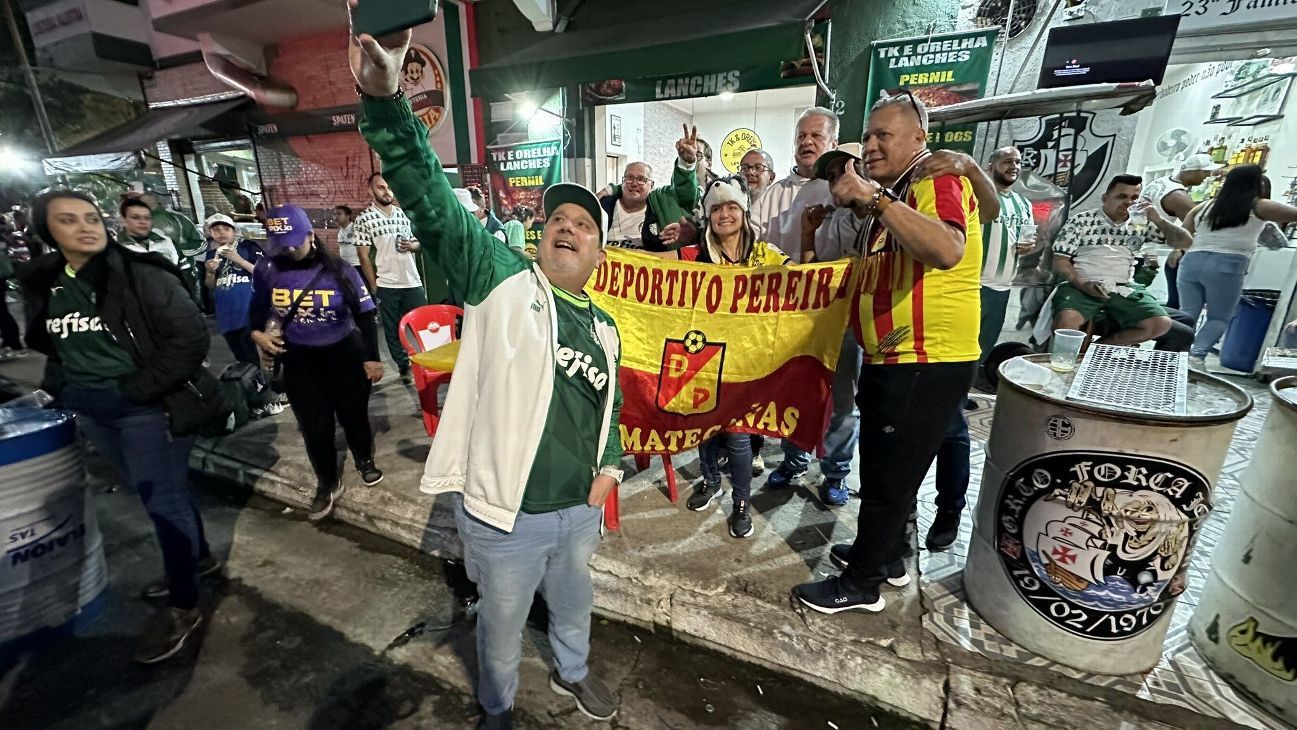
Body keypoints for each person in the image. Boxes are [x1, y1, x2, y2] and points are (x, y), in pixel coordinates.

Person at [350, 16, 625, 726]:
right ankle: (496, 708)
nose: (567, 227)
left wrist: (609, 471)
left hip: (575, 513)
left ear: (599, 255)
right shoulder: (499, 277)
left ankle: (573, 673)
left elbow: (610, 409)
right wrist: (386, 107)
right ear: (540, 234)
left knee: (574, 604)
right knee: (500, 629)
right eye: (557, 219)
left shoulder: (603, 326)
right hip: (505, 516)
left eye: (584, 226)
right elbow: (431, 203)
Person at [792, 93, 983, 615]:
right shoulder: (900, 195)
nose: (871, 145)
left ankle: (861, 584)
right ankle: (889, 555)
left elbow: (947, 249)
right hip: (896, 357)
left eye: (884, 135)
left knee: (885, 478)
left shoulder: (931, 181)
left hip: (924, 357)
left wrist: (874, 200)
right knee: (888, 471)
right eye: (868, 135)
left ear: (919, 139)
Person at [21, 188, 219, 663]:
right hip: (92, 409)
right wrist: (67, 388)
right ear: (47, 231)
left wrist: (137, 389)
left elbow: (189, 336)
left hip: (146, 409)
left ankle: (184, 605)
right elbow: (50, 342)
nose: (86, 226)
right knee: (161, 491)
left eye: (91, 217)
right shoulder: (45, 281)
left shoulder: (140, 275)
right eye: (68, 220)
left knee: (161, 501)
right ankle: (199, 558)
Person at [656, 175, 789, 537]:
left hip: (746, 364)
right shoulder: (694, 255)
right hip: (703, 358)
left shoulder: (765, 255)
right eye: (717, 208)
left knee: (739, 437)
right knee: (703, 428)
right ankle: (711, 480)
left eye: (732, 207)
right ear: (708, 215)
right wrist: (607, 257)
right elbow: (651, 265)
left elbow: (802, 282)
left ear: (744, 213)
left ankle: (741, 502)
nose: (724, 214)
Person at [249, 205, 385, 521]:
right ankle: (327, 480)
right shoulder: (268, 270)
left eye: (295, 241)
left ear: (310, 235)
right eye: (281, 243)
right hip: (299, 361)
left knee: (353, 415)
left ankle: (364, 458)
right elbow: (255, 313)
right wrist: (258, 335)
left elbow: (365, 316)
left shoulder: (340, 270)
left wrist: (372, 358)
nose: (289, 248)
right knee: (315, 426)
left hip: (343, 355)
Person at [1180, 164, 1297, 369]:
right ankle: (1195, 357)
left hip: (1192, 261)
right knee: (1220, 316)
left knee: (1187, 314)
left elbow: (1183, 234)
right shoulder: (1258, 206)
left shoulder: (1204, 206)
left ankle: (1176, 354)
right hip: (1227, 264)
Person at [1051, 175, 1191, 345]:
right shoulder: (1082, 221)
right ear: (1105, 198)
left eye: (1134, 198)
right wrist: (1081, 284)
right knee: (1067, 321)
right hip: (1083, 283)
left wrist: (1157, 219)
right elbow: (1060, 260)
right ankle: (1064, 363)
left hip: (1123, 286)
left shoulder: (1140, 224)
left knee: (1160, 324)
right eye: (1122, 196)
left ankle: (1099, 352)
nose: (1129, 202)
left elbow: (1186, 242)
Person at [353, 172, 427, 384]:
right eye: (381, 187)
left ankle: (429, 362)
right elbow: (363, 256)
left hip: (412, 281)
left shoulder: (404, 214)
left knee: (424, 324)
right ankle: (404, 366)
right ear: (371, 190)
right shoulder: (364, 219)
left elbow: (418, 243)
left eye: (389, 187)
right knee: (393, 330)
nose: (387, 192)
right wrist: (374, 285)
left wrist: (414, 246)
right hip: (387, 284)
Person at [749, 107, 838, 252]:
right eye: (801, 136)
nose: (806, 142)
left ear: (834, 144)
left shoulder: (841, 191)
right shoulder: (772, 195)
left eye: (816, 135)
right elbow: (747, 243)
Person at [975, 147, 1035, 363]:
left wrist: (1029, 245)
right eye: (1007, 161)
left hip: (1003, 286)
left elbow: (1027, 236)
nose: (1014, 166)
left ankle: (963, 392)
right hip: (974, 284)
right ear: (990, 167)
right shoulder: (976, 196)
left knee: (983, 347)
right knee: (961, 347)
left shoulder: (1024, 203)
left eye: (1018, 162)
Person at [1141, 154, 1220, 309]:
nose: (1208, 176)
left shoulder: (1161, 182)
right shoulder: (1178, 196)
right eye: (1204, 172)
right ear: (1192, 172)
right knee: (1174, 305)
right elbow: (1196, 229)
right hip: (1151, 253)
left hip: (1139, 246)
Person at [597, 145, 700, 251]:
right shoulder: (602, 206)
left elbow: (683, 190)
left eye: (641, 179)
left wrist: (686, 163)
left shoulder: (657, 207)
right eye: (629, 178)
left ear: (651, 185)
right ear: (622, 181)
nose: (634, 183)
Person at [203, 214, 262, 366]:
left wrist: (239, 260)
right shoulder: (211, 255)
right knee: (240, 355)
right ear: (211, 233)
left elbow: (264, 273)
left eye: (226, 228)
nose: (221, 232)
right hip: (226, 314)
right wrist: (209, 272)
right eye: (216, 229)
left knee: (254, 352)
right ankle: (252, 383)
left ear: (234, 231)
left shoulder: (248, 247)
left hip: (248, 310)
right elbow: (210, 285)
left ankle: (268, 384)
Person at [334, 204, 362, 279]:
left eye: (339, 214)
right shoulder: (341, 231)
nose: (336, 216)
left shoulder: (356, 229)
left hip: (357, 266)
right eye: (335, 214)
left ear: (347, 216)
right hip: (345, 266)